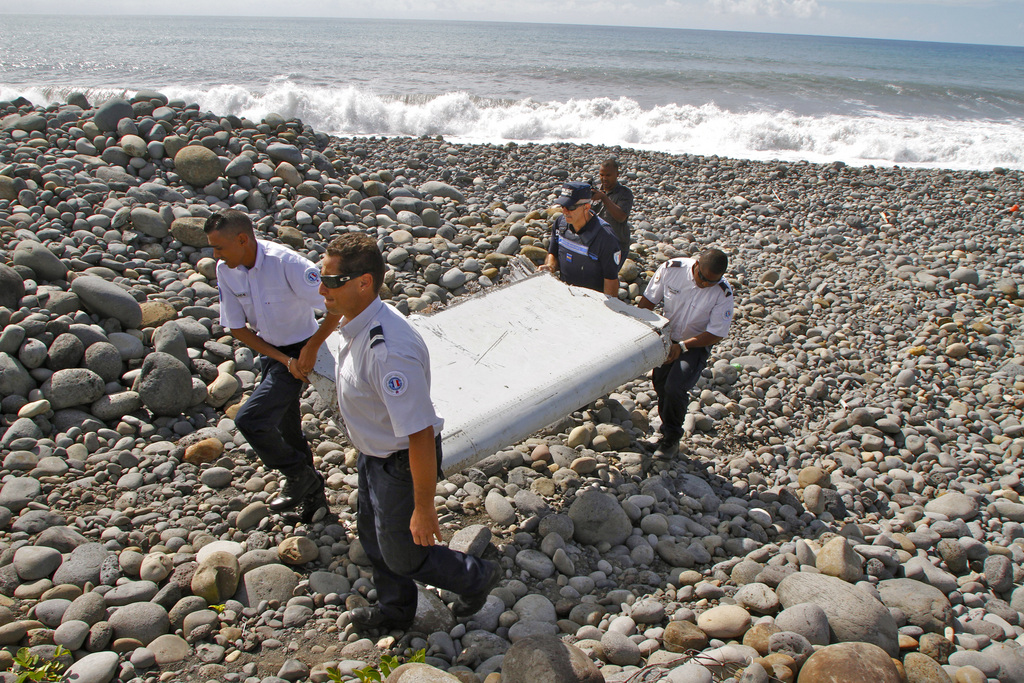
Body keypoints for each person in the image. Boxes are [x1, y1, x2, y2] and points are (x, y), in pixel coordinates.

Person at [319, 233, 501, 631]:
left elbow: (419, 435)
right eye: (321, 278)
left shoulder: (389, 352)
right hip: (375, 455)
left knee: (405, 554)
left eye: (331, 282)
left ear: (364, 283)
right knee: (373, 534)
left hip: (401, 461)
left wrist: (424, 506)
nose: (322, 289)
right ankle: (396, 611)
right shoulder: (358, 318)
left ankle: (477, 576)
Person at [205, 210, 338, 522]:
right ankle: (314, 501)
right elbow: (237, 328)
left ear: (242, 239)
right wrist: (282, 360)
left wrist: (311, 349)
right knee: (286, 426)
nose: (216, 255)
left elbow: (336, 305)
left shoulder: (285, 263)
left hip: (304, 347)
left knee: (251, 419)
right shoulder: (226, 270)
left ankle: (297, 475)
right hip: (274, 353)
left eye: (219, 247)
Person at [638, 249, 734, 459]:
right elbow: (648, 301)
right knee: (661, 384)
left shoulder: (723, 293)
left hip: (695, 344)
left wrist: (682, 347)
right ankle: (664, 432)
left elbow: (716, 333)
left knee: (676, 385)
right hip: (667, 336)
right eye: (702, 278)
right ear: (696, 265)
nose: (705, 284)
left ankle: (672, 437)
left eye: (712, 282)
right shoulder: (672, 270)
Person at [540, 181, 621, 296]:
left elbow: (611, 281)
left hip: (592, 301)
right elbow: (552, 253)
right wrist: (550, 267)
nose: (565, 211)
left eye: (571, 207)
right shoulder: (560, 224)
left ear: (586, 207)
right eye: (562, 206)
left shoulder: (606, 238)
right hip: (565, 294)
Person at [592, 157, 634, 256]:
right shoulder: (595, 190)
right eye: (601, 175)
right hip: (596, 242)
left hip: (617, 245)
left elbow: (621, 217)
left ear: (617, 175)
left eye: (608, 175)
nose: (604, 178)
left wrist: (604, 198)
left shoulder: (624, 193)